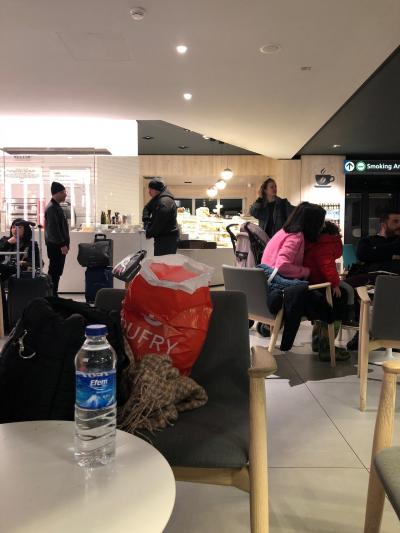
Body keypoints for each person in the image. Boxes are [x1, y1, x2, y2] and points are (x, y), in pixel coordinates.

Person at [260, 202, 336, 352]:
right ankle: (325, 341)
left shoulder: (283, 232)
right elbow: (282, 266)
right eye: (320, 222)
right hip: (278, 288)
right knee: (328, 301)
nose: (322, 226)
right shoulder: (296, 236)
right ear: (312, 222)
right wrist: (306, 272)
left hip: (265, 288)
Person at [303, 221, 351, 361]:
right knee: (339, 300)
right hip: (322, 285)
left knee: (323, 310)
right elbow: (327, 266)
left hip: (313, 283)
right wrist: (335, 284)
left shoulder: (314, 243)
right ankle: (327, 347)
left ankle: (317, 341)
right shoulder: (327, 244)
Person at [0, 218, 40, 331]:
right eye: (13, 227)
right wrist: (8, 243)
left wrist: (25, 263)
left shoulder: (31, 244)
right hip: (4, 271)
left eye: (19, 227)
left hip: (18, 271)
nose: (15, 229)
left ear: (25, 230)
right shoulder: (5, 240)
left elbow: (38, 263)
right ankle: (4, 320)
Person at [45, 181, 69, 295]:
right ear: (57, 193)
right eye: (64, 192)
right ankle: (52, 296)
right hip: (56, 246)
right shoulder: (52, 208)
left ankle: (53, 294)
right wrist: (62, 244)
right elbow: (54, 229)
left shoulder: (55, 206)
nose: (65, 194)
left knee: (56, 272)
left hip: (57, 245)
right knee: (54, 271)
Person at [142, 178, 179, 256]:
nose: (149, 192)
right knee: (160, 261)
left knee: (163, 261)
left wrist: (149, 233)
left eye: (150, 189)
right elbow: (147, 208)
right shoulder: (157, 198)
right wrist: (146, 221)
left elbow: (159, 223)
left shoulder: (164, 202)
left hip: (167, 240)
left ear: (156, 190)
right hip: (163, 237)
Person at [356, 210, 400, 274]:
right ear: (383, 225)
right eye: (396, 221)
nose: (399, 225)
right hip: (372, 277)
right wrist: (393, 256)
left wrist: (375, 250)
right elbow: (362, 254)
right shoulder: (367, 240)